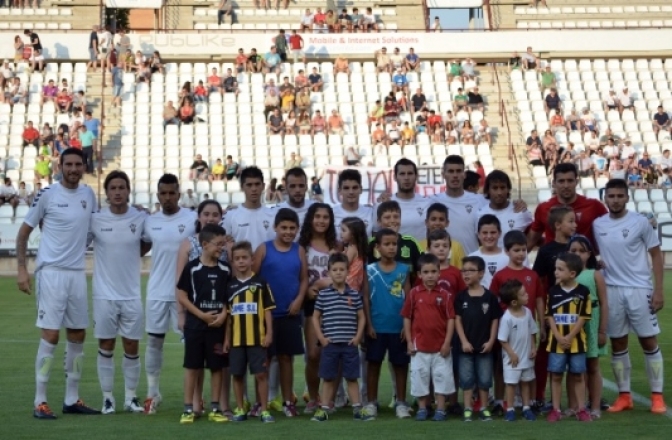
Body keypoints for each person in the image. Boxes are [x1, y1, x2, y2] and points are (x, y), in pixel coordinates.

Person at [16, 148, 99, 419]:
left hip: (76, 273)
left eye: (78, 164)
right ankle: (40, 400)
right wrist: (22, 270)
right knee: (51, 335)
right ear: (60, 166)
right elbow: (24, 232)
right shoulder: (47, 195)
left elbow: (91, 230)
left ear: (84, 167)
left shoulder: (89, 195)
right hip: (51, 272)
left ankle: (71, 398)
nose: (74, 169)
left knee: (78, 334)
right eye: (69, 164)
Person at [593, 179, 667, 414]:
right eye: (611, 196)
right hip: (611, 289)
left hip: (639, 289)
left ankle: (657, 396)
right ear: (605, 198)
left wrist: (658, 289)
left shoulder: (640, 222)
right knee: (618, 343)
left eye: (619, 196)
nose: (615, 200)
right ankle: (625, 396)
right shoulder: (598, 224)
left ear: (627, 197)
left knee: (648, 341)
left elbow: (656, 255)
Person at [91, 171, 148, 415]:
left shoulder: (140, 217)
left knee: (132, 345)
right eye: (113, 188)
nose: (117, 192)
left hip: (131, 293)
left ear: (128, 190)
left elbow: (146, 243)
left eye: (121, 187)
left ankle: (131, 398)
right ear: (107, 192)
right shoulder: (95, 219)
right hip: (104, 294)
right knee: (106, 344)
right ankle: (107, 399)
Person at [141, 174, 198, 414]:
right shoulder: (149, 222)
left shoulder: (192, 219)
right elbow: (140, 246)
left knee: (190, 345)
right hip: (156, 291)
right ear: (157, 195)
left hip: (185, 293)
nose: (167, 198)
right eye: (163, 193)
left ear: (179, 193)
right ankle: (153, 393)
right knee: (154, 341)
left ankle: (195, 396)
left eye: (171, 193)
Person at [175, 200, 230, 417]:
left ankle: (216, 407)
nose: (221, 248)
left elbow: (229, 297)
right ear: (205, 244)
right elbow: (182, 294)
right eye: (218, 244)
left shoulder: (225, 269)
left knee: (217, 367)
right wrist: (199, 315)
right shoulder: (193, 267)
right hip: (196, 325)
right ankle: (189, 408)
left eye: (223, 244)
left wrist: (224, 313)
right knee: (193, 366)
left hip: (218, 326)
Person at [254, 208, 308, 417]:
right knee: (264, 360)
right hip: (266, 316)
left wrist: (299, 299)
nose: (287, 232)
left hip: (289, 314)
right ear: (275, 227)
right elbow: (254, 278)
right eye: (283, 227)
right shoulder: (264, 249)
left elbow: (303, 278)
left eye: (292, 228)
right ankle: (261, 402)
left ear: (297, 229)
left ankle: (288, 401)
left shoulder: (299, 250)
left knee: (286, 359)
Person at [489, 230, 544, 416]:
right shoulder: (500, 276)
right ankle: (501, 401)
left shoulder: (532, 275)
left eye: (524, 250)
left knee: (529, 368)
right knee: (502, 366)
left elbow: (538, 299)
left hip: (526, 328)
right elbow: (494, 302)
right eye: (516, 250)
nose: (521, 254)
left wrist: (542, 324)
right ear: (507, 251)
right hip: (508, 330)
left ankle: (530, 403)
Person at [310, 253, 367, 422]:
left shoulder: (354, 294)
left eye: (342, 269)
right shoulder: (324, 295)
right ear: (329, 272)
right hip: (330, 344)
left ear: (348, 271)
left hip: (349, 344)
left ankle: (358, 409)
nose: (338, 272)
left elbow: (362, 317)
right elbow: (315, 316)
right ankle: (324, 409)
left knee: (351, 377)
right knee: (328, 377)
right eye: (335, 269)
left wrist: (357, 337)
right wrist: (321, 337)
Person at [362, 228, 412, 420]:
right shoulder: (370, 270)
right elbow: (365, 297)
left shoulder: (404, 269)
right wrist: (368, 324)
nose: (391, 248)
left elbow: (408, 299)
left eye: (394, 244)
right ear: (378, 247)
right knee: (373, 364)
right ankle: (372, 402)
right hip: (376, 327)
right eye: (387, 244)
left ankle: (401, 402)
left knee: (400, 365)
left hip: (398, 327)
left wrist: (405, 326)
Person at [224, 241, 276, 423]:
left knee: (261, 374)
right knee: (237, 374)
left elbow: (268, 310)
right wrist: (226, 339)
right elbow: (229, 317)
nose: (241, 261)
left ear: (252, 260)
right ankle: (240, 408)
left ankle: (264, 410)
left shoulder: (260, 283)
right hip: (237, 340)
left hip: (257, 339)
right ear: (232, 262)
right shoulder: (229, 286)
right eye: (237, 258)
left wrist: (269, 333)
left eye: (244, 258)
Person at [531, 205, 576, 411]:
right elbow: (538, 282)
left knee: (578, 354)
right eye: (571, 221)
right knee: (546, 353)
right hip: (553, 309)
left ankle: (577, 400)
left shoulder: (578, 246)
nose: (575, 225)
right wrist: (542, 312)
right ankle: (540, 396)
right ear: (558, 225)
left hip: (576, 309)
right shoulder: (546, 250)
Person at [402, 253, 456, 422]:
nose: (430, 275)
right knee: (420, 378)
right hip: (419, 348)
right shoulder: (414, 293)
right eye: (426, 272)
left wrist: (447, 343)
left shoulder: (445, 295)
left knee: (442, 378)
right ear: (419, 274)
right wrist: (410, 342)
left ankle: (440, 409)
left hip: (441, 348)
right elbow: (407, 317)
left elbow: (451, 319)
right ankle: (423, 408)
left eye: (434, 271)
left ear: (439, 273)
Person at [298, 203, 337, 413]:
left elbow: (346, 274)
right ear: (310, 219)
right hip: (312, 304)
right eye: (317, 216)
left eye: (325, 217)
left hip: (335, 303)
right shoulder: (302, 246)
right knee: (313, 353)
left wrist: (324, 284)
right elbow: (297, 275)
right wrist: (305, 291)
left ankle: (329, 398)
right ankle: (313, 397)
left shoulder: (337, 246)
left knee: (332, 352)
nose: (321, 220)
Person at [545, 253, 592, 422]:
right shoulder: (553, 291)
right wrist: (558, 336)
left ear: (572, 273)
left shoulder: (583, 292)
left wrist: (570, 336)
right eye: (555, 268)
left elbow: (584, 316)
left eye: (560, 269)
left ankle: (581, 409)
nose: (555, 272)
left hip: (576, 343)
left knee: (578, 375)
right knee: (556, 375)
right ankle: (556, 409)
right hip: (556, 343)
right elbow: (549, 315)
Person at [455, 255, 502, 422]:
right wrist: (464, 341)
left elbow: (494, 319)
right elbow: (457, 320)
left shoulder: (489, 297)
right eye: (464, 271)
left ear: (481, 273)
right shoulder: (461, 297)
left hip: (484, 346)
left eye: (470, 271)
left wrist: (491, 341)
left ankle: (483, 408)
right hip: (466, 347)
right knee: (466, 379)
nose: (466, 274)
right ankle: (467, 408)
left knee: (484, 379)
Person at [568, 235, 609, 419]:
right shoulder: (565, 274)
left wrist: (602, 330)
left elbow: (604, 303)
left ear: (589, 254)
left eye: (581, 251)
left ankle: (595, 406)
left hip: (591, 322)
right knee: (574, 367)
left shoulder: (594, 274)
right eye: (573, 250)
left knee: (592, 365)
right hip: (571, 323)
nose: (577, 254)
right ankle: (576, 405)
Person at [527, 163, 607, 250]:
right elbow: (531, 240)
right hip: (553, 262)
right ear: (554, 183)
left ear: (576, 182)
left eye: (570, 181)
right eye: (561, 181)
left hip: (585, 262)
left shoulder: (594, 206)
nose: (566, 186)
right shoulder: (543, 208)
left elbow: (613, 230)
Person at [497, 279, 538, 422]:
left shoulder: (527, 312)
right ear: (514, 302)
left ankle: (526, 407)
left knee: (526, 382)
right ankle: (510, 409)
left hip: (526, 357)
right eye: (523, 294)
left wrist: (533, 346)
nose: (527, 295)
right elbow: (502, 339)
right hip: (512, 360)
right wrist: (511, 354)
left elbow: (532, 331)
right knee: (511, 384)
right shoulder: (507, 318)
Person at [430, 155, 486, 254]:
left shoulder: (479, 201)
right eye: (451, 171)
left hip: (471, 264)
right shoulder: (433, 201)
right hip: (444, 264)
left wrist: (518, 204)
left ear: (464, 174)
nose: (455, 175)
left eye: (459, 171)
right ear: (443, 174)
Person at [222, 167, 275, 251]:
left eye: (257, 184)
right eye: (249, 185)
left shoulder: (273, 215)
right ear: (242, 187)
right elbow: (225, 244)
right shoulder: (230, 216)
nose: (254, 189)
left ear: (263, 186)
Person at [477, 170, 533, 248]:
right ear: (488, 190)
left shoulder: (521, 211)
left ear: (508, 189)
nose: (499, 192)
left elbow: (534, 236)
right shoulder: (480, 215)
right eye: (495, 188)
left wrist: (523, 253)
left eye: (502, 187)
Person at [367, 201, 422, 269]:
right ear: (379, 222)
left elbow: (422, 267)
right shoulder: (372, 243)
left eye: (396, 217)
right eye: (387, 217)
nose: (392, 220)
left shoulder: (410, 242)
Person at [419, 203, 466, 268]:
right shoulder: (419, 246)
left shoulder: (456, 246)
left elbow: (461, 271)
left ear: (447, 223)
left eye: (441, 219)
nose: (437, 223)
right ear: (426, 222)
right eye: (433, 219)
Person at [332, 169, 374, 239]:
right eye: (346, 188)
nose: (351, 192)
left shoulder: (370, 213)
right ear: (339, 191)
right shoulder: (331, 214)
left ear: (360, 189)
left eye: (355, 188)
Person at [469, 215, 508, 289]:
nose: (489, 236)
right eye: (485, 233)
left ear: (499, 233)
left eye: (493, 232)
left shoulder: (508, 257)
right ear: (478, 234)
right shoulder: (471, 259)